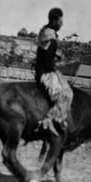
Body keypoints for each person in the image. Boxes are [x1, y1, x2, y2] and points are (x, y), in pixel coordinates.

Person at [33, 8, 73, 136]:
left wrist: (55, 55)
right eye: (61, 20)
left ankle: (58, 119)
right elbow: (45, 55)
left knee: (68, 91)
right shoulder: (49, 34)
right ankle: (48, 122)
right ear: (56, 20)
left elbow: (46, 52)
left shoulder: (48, 32)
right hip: (46, 72)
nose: (62, 23)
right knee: (63, 95)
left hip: (48, 70)